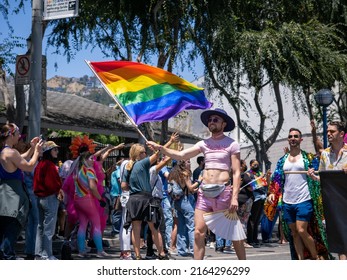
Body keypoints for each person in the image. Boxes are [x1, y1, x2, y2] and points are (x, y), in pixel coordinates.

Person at [147, 108, 246, 260]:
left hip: (223, 192)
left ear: (224, 124)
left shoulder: (232, 144)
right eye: (210, 120)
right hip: (204, 193)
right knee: (198, 232)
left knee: (233, 232)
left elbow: (237, 172)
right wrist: (160, 148)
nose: (211, 122)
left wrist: (234, 197)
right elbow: (181, 155)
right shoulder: (204, 144)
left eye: (215, 120)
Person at [266, 128, 330, 260]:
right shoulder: (282, 160)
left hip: (304, 199)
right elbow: (276, 179)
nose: (293, 138)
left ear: (300, 139)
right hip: (288, 202)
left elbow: (319, 173)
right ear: (288, 139)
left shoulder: (308, 158)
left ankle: (315, 257)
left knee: (302, 230)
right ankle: (300, 260)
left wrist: (314, 174)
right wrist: (272, 193)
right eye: (290, 136)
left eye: (296, 136)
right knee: (294, 233)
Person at [0, 123, 43, 260]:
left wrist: (31, 148)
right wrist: (37, 151)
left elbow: (21, 158)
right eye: (18, 134)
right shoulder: (11, 153)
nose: (19, 137)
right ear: (11, 135)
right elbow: (29, 167)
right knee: (10, 234)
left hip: (5, 197)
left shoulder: (5, 152)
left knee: (5, 232)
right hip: (11, 200)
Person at [308, 121, 347, 260]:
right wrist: (314, 176)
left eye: (332, 131)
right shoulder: (324, 155)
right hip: (334, 206)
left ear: (342, 134)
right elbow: (324, 179)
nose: (329, 134)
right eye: (327, 131)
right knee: (341, 244)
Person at [122, 143, 168, 260]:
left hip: (133, 199)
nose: (145, 154)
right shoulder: (142, 163)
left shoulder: (128, 166)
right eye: (143, 152)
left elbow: (123, 186)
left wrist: (133, 187)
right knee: (154, 227)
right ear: (138, 154)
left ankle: (137, 255)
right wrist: (170, 141)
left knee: (136, 228)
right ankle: (161, 253)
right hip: (145, 198)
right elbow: (158, 153)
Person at [33, 141, 63, 260]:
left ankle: (39, 254)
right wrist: (59, 188)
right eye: (54, 149)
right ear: (48, 151)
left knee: (40, 227)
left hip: (39, 198)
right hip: (49, 198)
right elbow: (52, 185)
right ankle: (47, 254)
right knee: (49, 228)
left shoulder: (40, 164)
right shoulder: (49, 165)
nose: (57, 152)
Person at [168, 159, 198, 257]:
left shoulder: (174, 173)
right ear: (183, 164)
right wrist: (199, 181)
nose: (190, 163)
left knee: (181, 226)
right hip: (186, 200)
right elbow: (191, 188)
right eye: (188, 162)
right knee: (191, 226)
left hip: (177, 201)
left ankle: (181, 250)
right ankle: (195, 251)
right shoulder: (185, 174)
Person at [246, 159, 269, 248]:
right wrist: (259, 179)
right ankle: (250, 239)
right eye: (255, 165)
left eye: (257, 165)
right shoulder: (249, 174)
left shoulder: (260, 173)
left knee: (257, 220)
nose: (257, 166)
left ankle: (255, 239)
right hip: (255, 197)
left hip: (262, 196)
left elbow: (266, 183)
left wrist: (266, 177)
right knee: (252, 219)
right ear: (251, 165)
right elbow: (252, 185)